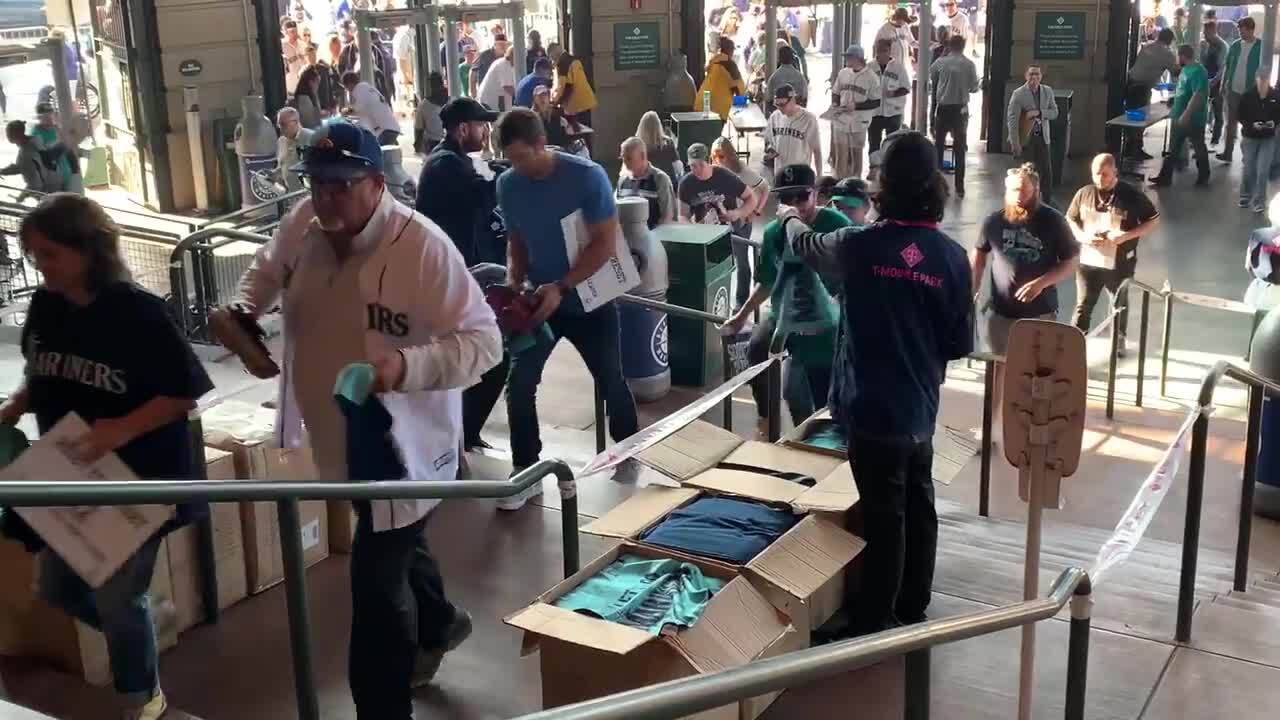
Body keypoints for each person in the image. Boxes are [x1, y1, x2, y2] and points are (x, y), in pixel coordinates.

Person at [217, 121, 500, 718]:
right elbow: (265, 270)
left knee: (375, 583)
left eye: (340, 186)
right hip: (336, 425)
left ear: (376, 183)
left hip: (399, 442)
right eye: (316, 184)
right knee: (390, 533)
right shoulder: (305, 223)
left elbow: (484, 343)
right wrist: (243, 310)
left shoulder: (422, 247)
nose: (325, 199)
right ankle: (441, 622)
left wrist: (401, 367)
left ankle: (382, 708)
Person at [2, 193, 214, 720]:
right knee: (57, 587)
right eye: (34, 254)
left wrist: (118, 430)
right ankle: (148, 620)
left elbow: (183, 394)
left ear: (88, 250)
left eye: (50, 254)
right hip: (70, 468)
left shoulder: (138, 312)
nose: (40, 266)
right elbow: (41, 369)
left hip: (136, 474)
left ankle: (142, 699)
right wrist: (16, 405)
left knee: (117, 597)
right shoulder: (47, 304)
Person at [778, 132, 973, 638]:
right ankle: (913, 602)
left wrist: (791, 217)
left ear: (882, 185)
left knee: (883, 515)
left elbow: (807, 246)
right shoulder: (953, 258)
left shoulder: (858, 245)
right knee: (918, 502)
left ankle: (872, 622)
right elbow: (959, 343)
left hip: (868, 405)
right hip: (919, 407)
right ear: (935, 185)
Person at [495, 108, 638, 509]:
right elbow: (517, 240)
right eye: (509, 160)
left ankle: (629, 452)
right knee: (519, 384)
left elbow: (605, 244)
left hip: (590, 299)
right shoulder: (508, 185)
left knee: (610, 379)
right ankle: (526, 471)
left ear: (542, 144)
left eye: (522, 157)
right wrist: (514, 282)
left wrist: (562, 286)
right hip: (540, 302)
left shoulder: (587, 177)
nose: (516, 167)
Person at [721, 164, 848, 433]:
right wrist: (742, 315)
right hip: (784, 313)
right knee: (757, 347)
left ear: (815, 194)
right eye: (787, 198)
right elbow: (767, 281)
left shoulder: (837, 226)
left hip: (825, 322)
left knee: (805, 393)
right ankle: (767, 414)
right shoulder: (773, 233)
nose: (795, 206)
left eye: (801, 197)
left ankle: (817, 437)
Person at [416, 99, 509, 453]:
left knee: (486, 358)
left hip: (460, 279)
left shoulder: (453, 161)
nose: (486, 132)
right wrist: (508, 172)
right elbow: (484, 195)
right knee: (492, 356)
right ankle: (461, 435)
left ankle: (465, 434)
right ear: (463, 129)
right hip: (449, 284)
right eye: (481, 125)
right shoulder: (445, 165)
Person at [971, 162, 1078, 444]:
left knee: (1037, 374)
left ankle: (1035, 428)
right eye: (1014, 190)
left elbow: (1070, 262)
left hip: (1039, 313)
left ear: (1036, 190)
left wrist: (1041, 283)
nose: (1019, 196)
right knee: (997, 370)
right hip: (1001, 312)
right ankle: (990, 427)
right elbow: (979, 256)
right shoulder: (994, 221)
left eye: (1024, 190)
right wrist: (972, 290)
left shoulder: (1053, 221)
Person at [1067, 153, 1160, 354]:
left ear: (1115, 172)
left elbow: (1153, 220)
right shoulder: (1084, 193)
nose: (1100, 179)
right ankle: (1075, 342)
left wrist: (1127, 236)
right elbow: (1071, 218)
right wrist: (1082, 236)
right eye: (1096, 174)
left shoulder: (1131, 195)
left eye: (1105, 174)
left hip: (1120, 262)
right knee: (1083, 304)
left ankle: (1118, 341)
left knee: (1118, 303)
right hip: (1089, 260)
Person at [678, 143, 759, 308]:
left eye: (701, 165)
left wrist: (738, 213)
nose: (697, 170)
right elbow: (682, 215)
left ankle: (741, 303)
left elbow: (751, 198)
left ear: (709, 161)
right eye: (693, 166)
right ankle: (711, 300)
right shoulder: (686, 184)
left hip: (735, 227)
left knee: (742, 262)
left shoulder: (725, 176)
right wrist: (692, 228)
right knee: (712, 267)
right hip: (706, 232)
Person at [1151, 44, 1210, 187]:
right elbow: (1184, 90)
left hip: (1192, 118)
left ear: (1183, 56)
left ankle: (1204, 176)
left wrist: (1187, 114)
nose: (1177, 59)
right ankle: (1165, 177)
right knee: (1173, 148)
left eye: (1178, 56)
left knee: (1199, 147)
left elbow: (1198, 95)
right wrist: (1175, 100)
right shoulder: (1185, 70)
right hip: (1179, 116)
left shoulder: (1198, 71)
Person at [929, 34, 978, 197]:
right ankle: (959, 187)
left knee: (939, 147)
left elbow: (932, 76)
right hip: (960, 111)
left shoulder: (941, 62)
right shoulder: (969, 64)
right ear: (963, 47)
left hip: (943, 109)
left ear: (949, 46)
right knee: (959, 149)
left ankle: (937, 186)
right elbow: (974, 87)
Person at [1006, 64, 1059, 201]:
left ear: (1041, 76)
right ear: (1026, 76)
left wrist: (1039, 112)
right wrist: (1015, 143)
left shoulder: (1047, 91)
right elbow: (1012, 120)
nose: (1034, 77)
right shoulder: (1018, 94)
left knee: (1046, 172)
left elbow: (1055, 113)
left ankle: (1047, 201)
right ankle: (1027, 200)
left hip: (1043, 137)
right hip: (1026, 139)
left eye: (1037, 74)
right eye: (1031, 74)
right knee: (1027, 172)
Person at [830, 44, 881, 180]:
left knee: (856, 155)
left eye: (849, 57)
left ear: (858, 58)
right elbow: (835, 92)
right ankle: (839, 181)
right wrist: (834, 104)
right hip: (841, 119)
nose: (846, 59)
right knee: (840, 155)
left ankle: (855, 182)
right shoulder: (843, 73)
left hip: (859, 121)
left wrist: (857, 106)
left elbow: (876, 102)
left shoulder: (871, 77)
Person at [1235, 64, 1280, 211]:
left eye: (1266, 78)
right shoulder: (1247, 96)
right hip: (1250, 137)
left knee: (1263, 170)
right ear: (1256, 78)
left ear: (1269, 79)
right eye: (1261, 78)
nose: (1263, 81)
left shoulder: (1275, 96)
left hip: (1268, 138)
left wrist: (1274, 122)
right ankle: (1245, 196)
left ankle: (1260, 201)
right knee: (1249, 168)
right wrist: (1251, 125)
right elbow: (1240, 116)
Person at [1126, 30, 1178, 159]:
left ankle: (1129, 148)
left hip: (1130, 83)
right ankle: (1136, 150)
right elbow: (1176, 72)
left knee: (1131, 118)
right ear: (1170, 41)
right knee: (1140, 119)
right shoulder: (1167, 54)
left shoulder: (1147, 46)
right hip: (1142, 88)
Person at [1220, 16, 1262, 163]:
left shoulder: (1260, 47)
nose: (1240, 33)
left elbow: (1265, 70)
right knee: (1230, 123)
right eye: (1239, 30)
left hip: (1250, 92)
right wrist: (1223, 84)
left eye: (1242, 30)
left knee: (1249, 124)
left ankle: (1249, 156)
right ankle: (1227, 153)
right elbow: (1227, 66)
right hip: (1233, 90)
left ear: (1251, 30)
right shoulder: (1235, 45)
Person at [617, 136, 676, 228]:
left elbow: (667, 217)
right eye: (622, 157)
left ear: (643, 156)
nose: (624, 162)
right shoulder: (623, 180)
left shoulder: (660, 179)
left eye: (628, 158)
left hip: (654, 234)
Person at [764, 84, 822, 175]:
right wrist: (770, 150)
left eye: (782, 104)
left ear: (793, 100)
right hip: (780, 173)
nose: (779, 108)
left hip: (800, 174)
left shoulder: (808, 119)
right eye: (777, 104)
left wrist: (819, 175)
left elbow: (817, 150)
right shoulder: (774, 117)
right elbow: (768, 140)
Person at [869, 38, 910, 158]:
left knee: (892, 145)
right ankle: (874, 166)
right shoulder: (869, 67)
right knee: (874, 144)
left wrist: (894, 93)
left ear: (889, 51)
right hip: (874, 113)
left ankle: (890, 166)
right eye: (879, 50)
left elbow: (906, 87)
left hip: (893, 112)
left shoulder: (898, 67)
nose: (881, 53)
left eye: (884, 50)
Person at [1, 120, 62, 193]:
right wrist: (2, 171)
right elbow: (22, 167)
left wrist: (24, 195)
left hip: (47, 186)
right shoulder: (33, 142)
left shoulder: (28, 151)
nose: (7, 135)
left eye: (9, 133)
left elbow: (33, 179)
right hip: (51, 182)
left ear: (18, 133)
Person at [342, 71, 400, 145]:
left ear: (350, 84)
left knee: (370, 149)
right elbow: (364, 111)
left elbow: (357, 110)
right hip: (391, 127)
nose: (347, 90)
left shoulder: (359, 89)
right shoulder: (367, 88)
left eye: (346, 87)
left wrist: (344, 112)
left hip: (385, 130)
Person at [698, 36, 746, 120]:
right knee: (713, 129)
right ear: (730, 50)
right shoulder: (730, 65)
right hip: (716, 108)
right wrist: (741, 101)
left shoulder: (714, 62)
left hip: (701, 103)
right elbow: (739, 87)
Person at [551, 46, 598, 128]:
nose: (552, 60)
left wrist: (557, 102)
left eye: (551, 57)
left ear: (554, 54)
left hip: (576, 106)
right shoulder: (575, 60)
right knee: (585, 129)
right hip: (585, 102)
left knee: (577, 131)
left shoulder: (563, 63)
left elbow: (568, 87)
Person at [274, 106, 314, 191]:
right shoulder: (281, 141)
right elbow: (282, 166)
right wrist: (273, 175)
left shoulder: (311, 138)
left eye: (283, 124)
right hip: (291, 194)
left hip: (310, 193)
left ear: (296, 122)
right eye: (279, 125)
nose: (281, 128)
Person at [1203, 20, 1230, 145]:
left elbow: (1222, 69)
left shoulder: (1222, 46)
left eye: (1207, 33)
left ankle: (1215, 140)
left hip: (1218, 83)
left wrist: (1213, 82)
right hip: (1206, 81)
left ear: (1214, 31)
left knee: (1218, 113)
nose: (1205, 36)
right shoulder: (1206, 44)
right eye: (1204, 33)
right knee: (1201, 111)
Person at [636, 110, 683, 180]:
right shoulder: (668, 142)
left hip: (646, 183)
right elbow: (678, 168)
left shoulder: (637, 145)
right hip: (668, 182)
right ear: (659, 125)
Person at [414, 71, 448, 155]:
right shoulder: (424, 105)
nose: (435, 88)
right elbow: (419, 129)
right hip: (435, 143)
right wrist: (417, 145)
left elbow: (419, 129)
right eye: (433, 85)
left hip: (445, 142)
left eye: (437, 84)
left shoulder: (452, 101)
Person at [477, 45, 517, 112]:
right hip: (491, 101)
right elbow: (507, 87)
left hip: (498, 99)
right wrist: (520, 96)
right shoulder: (504, 65)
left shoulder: (504, 62)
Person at [766, 45, 808, 109]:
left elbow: (769, 98)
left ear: (779, 58)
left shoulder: (774, 77)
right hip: (796, 110)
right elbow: (804, 97)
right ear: (792, 59)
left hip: (778, 111)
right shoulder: (800, 77)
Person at [875, 7, 916, 73]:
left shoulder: (905, 26)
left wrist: (923, 45)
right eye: (903, 20)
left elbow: (911, 42)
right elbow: (876, 46)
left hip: (904, 64)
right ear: (897, 18)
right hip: (890, 65)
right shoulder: (884, 29)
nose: (904, 22)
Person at [392, 23, 417, 108]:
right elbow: (402, 57)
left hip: (404, 69)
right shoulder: (404, 36)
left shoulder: (399, 35)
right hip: (407, 68)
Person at [283, 19, 307, 93]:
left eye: (296, 31)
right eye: (292, 31)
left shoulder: (303, 44)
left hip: (304, 79)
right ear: (286, 32)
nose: (295, 34)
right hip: (290, 81)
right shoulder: (283, 46)